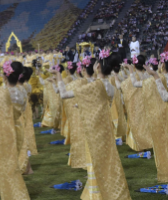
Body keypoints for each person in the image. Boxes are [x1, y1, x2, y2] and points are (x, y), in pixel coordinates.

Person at [54, 52, 131, 200]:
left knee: (96, 160)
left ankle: (97, 194)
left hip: (95, 130)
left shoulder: (94, 86)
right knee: (108, 161)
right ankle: (112, 190)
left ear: (99, 67)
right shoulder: (110, 86)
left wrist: (58, 75)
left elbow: (63, 94)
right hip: (106, 129)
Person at [0, 61, 30, 200]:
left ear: (5, 76)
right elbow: (21, 109)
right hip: (17, 129)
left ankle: (16, 195)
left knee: (7, 168)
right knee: (11, 166)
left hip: (5, 133)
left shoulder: (2, 94)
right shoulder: (22, 92)